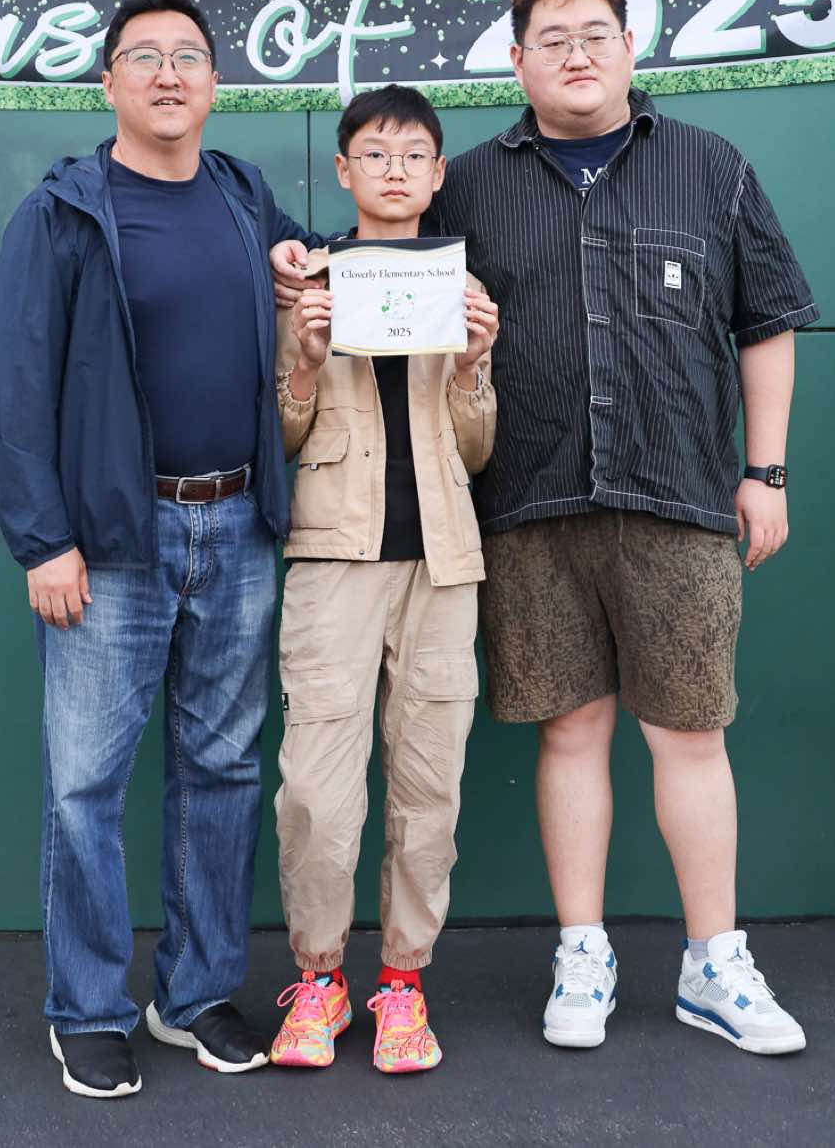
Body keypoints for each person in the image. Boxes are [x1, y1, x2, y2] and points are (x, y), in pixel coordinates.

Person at [270, 0, 818, 1057]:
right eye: (551, 41)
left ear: (630, 48)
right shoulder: (469, 184)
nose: (575, 55)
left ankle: (715, 960)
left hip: (676, 494)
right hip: (528, 500)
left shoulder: (709, 166)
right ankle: (582, 950)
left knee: (689, 732)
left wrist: (764, 473)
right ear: (517, 62)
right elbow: (381, 254)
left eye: (594, 36)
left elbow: (765, 319)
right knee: (570, 732)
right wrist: (299, 264)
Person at [0, 0, 311, 1099]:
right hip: (110, 543)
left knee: (221, 770)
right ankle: (87, 1007)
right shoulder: (62, 213)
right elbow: (11, 388)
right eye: (145, 56)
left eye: (189, 57)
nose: (169, 74)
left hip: (240, 526)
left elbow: (314, 280)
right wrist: (43, 542)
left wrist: (326, 268)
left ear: (214, 83)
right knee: (85, 784)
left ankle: (196, 993)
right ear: (109, 81)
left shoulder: (243, 197)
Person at [269, 86, 499, 1075]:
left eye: (413, 155)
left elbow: (477, 452)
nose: (394, 169)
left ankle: (402, 984)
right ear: (343, 171)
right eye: (374, 153)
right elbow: (280, 437)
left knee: (428, 786)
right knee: (316, 790)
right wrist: (304, 360)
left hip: (443, 561)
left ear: (438, 174)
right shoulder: (304, 284)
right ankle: (318, 980)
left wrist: (474, 365)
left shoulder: (462, 285)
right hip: (332, 557)